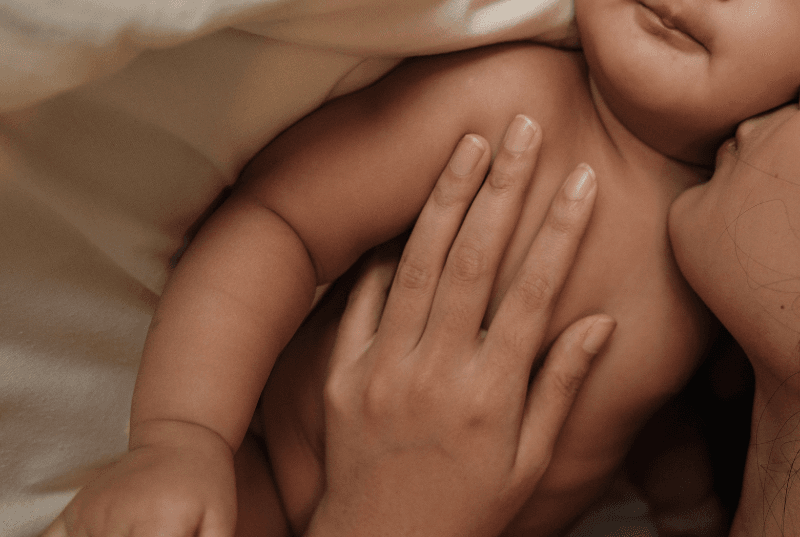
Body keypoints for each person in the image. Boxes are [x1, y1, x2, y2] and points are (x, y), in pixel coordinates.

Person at [46, 0, 800, 535]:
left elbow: (651, 432)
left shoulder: (728, 250)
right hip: (267, 479)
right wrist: (182, 435)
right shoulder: (512, 97)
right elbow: (279, 223)